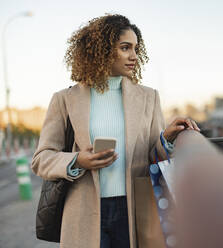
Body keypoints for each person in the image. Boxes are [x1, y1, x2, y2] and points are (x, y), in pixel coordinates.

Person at [31, 14, 199, 248]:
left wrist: (167, 138)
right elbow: (41, 159)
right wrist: (78, 160)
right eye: (125, 48)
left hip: (133, 209)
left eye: (135, 48)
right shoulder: (65, 100)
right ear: (101, 50)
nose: (134, 56)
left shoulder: (149, 97)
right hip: (83, 212)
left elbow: (152, 154)